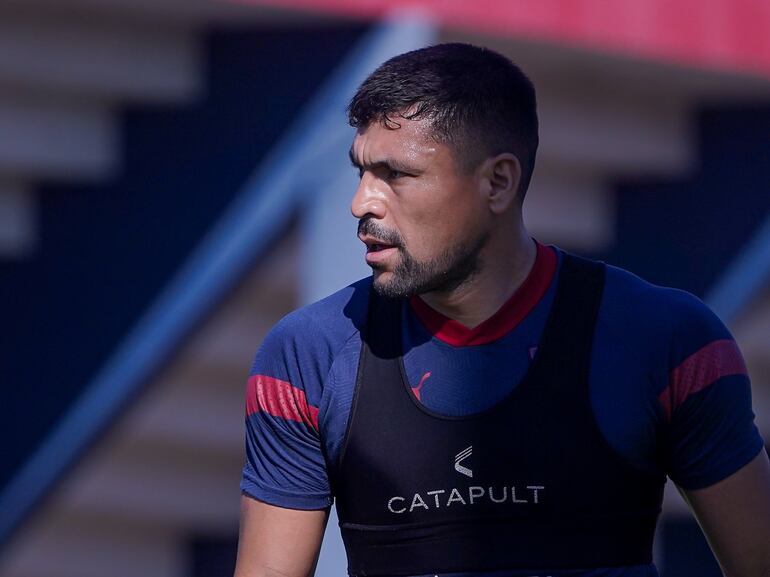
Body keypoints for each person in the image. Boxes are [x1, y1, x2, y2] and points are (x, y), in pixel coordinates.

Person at [233, 43, 770, 577]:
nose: (362, 203)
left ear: (498, 182)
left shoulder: (668, 341)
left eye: (396, 174)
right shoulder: (306, 355)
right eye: (361, 172)